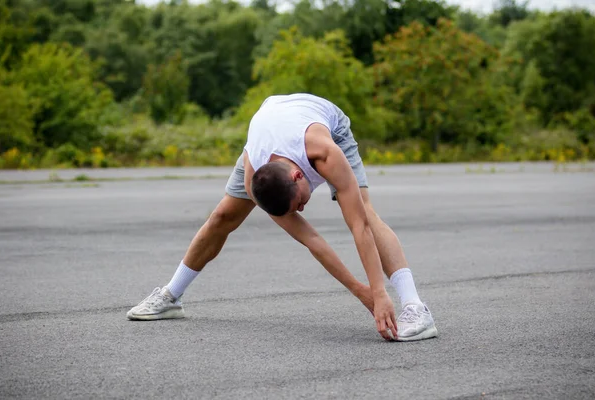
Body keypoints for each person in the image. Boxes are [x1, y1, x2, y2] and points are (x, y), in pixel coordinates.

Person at [127, 93, 438, 342]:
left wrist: (380, 293)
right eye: (295, 209)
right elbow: (312, 241)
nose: (302, 209)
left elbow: (359, 227)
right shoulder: (255, 178)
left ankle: (415, 308)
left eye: (300, 201)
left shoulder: (326, 153)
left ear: (300, 175)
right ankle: (171, 296)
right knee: (222, 215)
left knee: (366, 213)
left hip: (319, 118)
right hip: (267, 129)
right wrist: (360, 291)